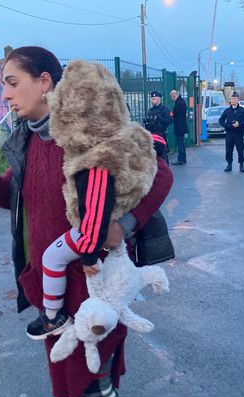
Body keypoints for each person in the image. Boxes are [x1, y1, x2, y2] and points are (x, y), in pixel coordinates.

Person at [0, 46, 173, 397]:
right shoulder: (27, 138)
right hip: (51, 290)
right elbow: (20, 199)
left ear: (45, 82)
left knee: (93, 384)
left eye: (12, 83)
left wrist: (124, 223)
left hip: (93, 288)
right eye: (4, 85)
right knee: (64, 383)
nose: (4, 94)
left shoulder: (86, 130)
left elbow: (161, 175)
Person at [24, 60, 159, 342]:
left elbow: (96, 208)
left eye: (12, 83)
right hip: (97, 231)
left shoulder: (94, 156)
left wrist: (88, 252)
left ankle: (52, 316)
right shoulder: (118, 142)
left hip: (91, 233)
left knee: (53, 258)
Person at [219, 91, 244, 172]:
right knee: (229, 150)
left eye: (235, 98)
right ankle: (229, 164)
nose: (233, 100)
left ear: (238, 99)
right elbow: (221, 121)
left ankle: (241, 165)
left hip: (239, 133)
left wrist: (239, 124)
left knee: (240, 150)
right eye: (232, 98)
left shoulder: (242, 110)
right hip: (229, 133)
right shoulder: (227, 111)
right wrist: (228, 126)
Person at [143, 91, 172, 163]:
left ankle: (165, 171)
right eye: (151, 99)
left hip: (160, 135)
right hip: (151, 135)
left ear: (159, 99)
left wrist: (160, 118)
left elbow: (170, 121)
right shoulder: (150, 110)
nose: (152, 101)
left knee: (163, 156)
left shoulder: (165, 109)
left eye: (154, 99)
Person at [170, 90, 188, 166]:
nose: (171, 98)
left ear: (174, 95)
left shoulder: (178, 103)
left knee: (180, 143)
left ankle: (180, 159)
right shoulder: (182, 101)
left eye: (171, 96)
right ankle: (183, 158)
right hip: (182, 125)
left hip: (179, 126)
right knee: (182, 142)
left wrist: (171, 113)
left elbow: (173, 113)